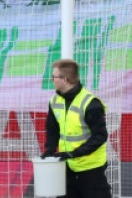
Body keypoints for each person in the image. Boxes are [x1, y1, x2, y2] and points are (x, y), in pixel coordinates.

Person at [42, 58, 112, 197]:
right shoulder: (55, 100)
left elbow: (100, 136)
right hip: (67, 166)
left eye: (54, 77)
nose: (51, 80)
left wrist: (74, 153)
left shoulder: (90, 103)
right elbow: (52, 129)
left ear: (65, 79)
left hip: (91, 168)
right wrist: (49, 150)